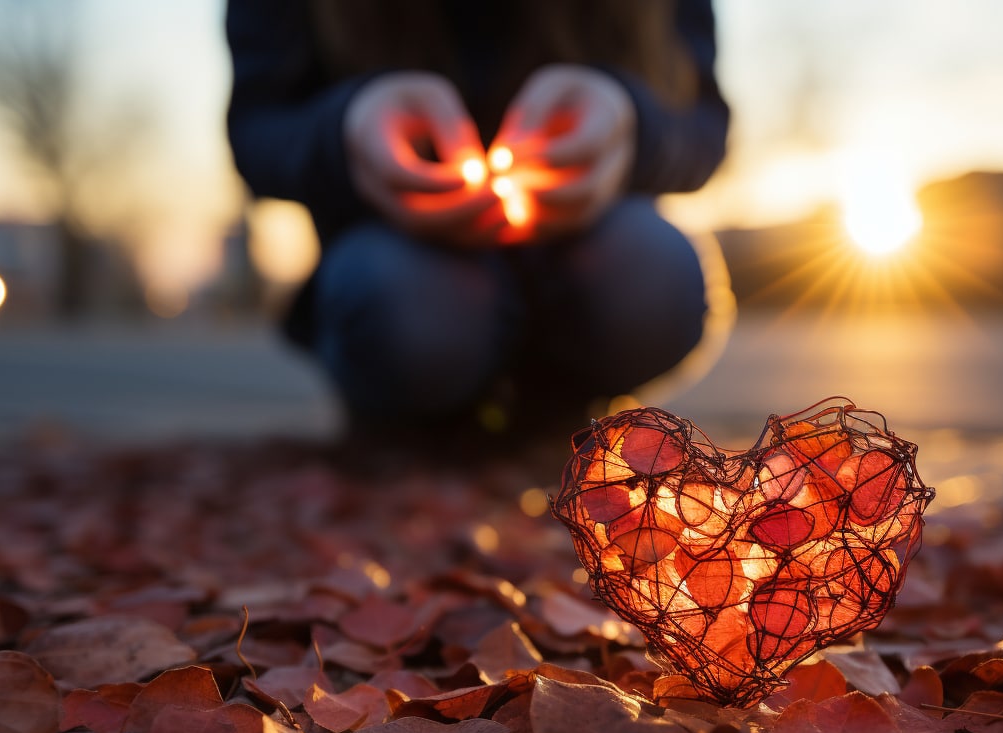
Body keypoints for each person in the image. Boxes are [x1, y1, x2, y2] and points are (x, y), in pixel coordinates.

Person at [226, 0, 729, 439]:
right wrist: (345, 132)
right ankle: (411, 409)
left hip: (595, 244)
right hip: (399, 262)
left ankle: (561, 407)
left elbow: (706, 121)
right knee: (402, 305)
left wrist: (632, 126)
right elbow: (258, 121)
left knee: (654, 276)